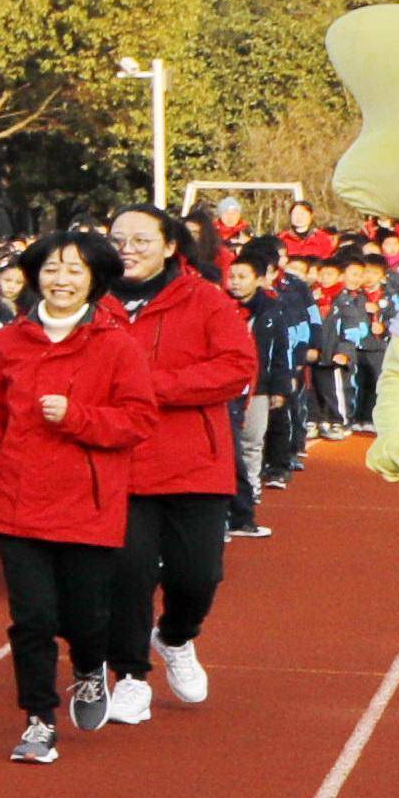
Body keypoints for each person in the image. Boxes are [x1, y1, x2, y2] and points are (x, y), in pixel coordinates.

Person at [0, 229, 152, 761]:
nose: (60, 280)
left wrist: (77, 418)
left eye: (73, 270)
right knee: (33, 618)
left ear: (93, 279)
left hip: (86, 503)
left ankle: (91, 668)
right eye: (50, 269)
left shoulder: (116, 343)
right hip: (16, 498)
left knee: (87, 614)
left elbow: (139, 420)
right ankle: (38, 718)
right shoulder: (8, 340)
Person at [102, 204, 256, 726]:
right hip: (119, 462)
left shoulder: (205, 300)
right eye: (119, 238)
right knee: (127, 575)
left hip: (195, 462)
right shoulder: (93, 303)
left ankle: (175, 637)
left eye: (142, 240)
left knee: (199, 575)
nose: (129, 249)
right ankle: (128, 675)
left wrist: (152, 388)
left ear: (170, 246)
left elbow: (237, 368)